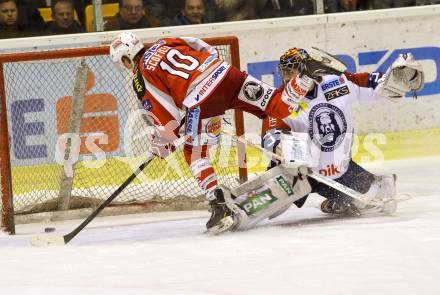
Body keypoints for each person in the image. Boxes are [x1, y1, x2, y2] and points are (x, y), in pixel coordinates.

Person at [109, 32, 327, 233]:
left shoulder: (140, 76)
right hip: (225, 73)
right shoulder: (165, 42)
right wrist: (211, 74)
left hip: (201, 99)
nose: (126, 67)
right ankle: (305, 78)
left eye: (123, 63)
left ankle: (218, 202)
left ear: (127, 59)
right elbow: (203, 47)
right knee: (274, 106)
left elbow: (167, 119)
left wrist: (162, 144)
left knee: (194, 152)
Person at [261, 47, 424, 216]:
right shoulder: (282, 99)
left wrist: (392, 80)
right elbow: (271, 132)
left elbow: (368, 83)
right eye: (284, 71)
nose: (286, 77)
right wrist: (279, 145)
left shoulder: (336, 82)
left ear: (306, 69)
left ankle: (344, 199)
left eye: (291, 71)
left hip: (337, 170)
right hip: (298, 172)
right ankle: (246, 202)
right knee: (269, 206)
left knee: (377, 203)